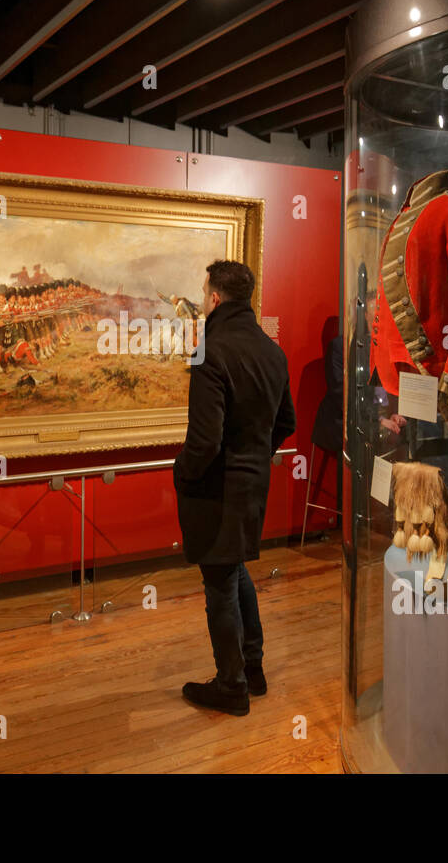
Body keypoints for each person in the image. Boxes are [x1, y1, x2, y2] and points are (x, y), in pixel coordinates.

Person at [174, 259, 296, 716]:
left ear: (215, 298)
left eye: (205, 291)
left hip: (216, 487)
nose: (203, 298)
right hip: (252, 484)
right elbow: (286, 422)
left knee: (220, 582)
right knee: (234, 570)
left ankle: (231, 686)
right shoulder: (271, 349)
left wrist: (183, 471)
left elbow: (204, 440)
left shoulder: (211, 349)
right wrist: (254, 459)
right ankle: (253, 669)